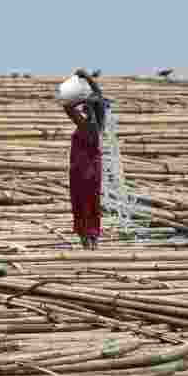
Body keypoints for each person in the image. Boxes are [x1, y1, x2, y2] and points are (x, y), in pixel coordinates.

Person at [61, 69, 105, 250]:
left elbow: (67, 106)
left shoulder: (85, 124)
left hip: (81, 170)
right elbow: (99, 97)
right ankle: (92, 237)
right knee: (92, 202)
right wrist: (87, 78)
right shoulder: (98, 123)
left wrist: (82, 97)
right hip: (94, 170)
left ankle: (86, 237)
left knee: (82, 202)